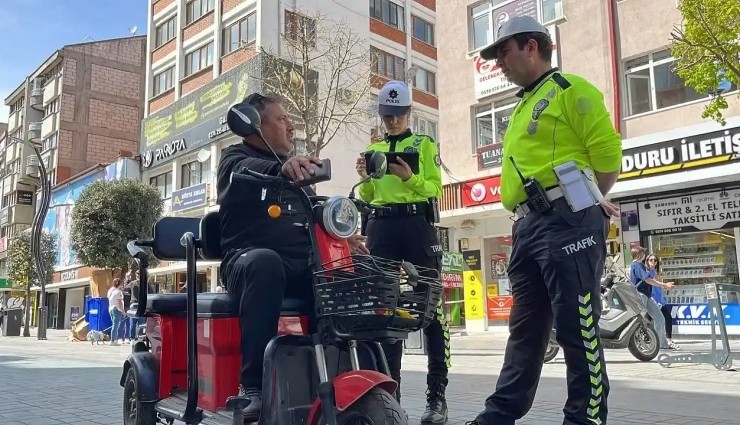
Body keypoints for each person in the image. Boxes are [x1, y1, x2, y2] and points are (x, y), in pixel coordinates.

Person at [466, 16, 623, 425]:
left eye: (504, 50)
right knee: (525, 330)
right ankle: (498, 416)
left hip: (566, 220)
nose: (498, 61)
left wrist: (585, 203)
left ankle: (585, 418)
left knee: (577, 325)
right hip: (527, 226)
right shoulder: (521, 103)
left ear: (532, 46)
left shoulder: (570, 91)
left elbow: (607, 159)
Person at [217, 92, 367, 422]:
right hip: (246, 263)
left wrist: (344, 239)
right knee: (265, 262)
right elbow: (244, 170)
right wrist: (280, 168)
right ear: (254, 123)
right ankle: (252, 387)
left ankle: (340, 373)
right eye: (282, 118)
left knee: (343, 269)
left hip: (299, 264)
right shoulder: (234, 159)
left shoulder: (296, 172)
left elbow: (315, 214)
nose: (291, 126)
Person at [355, 80, 451, 424]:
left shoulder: (423, 144)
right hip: (381, 227)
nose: (392, 120)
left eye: (397, 114)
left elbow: (434, 187)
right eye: (386, 115)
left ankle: (436, 396)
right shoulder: (375, 147)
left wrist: (410, 178)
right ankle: (390, 395)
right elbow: (366, 195)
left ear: (408, 112)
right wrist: (365, 177)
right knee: (384, 311)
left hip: (416, 226)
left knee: (431, 309)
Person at [630, 248, 675, 350]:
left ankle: (660, 344)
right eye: (644, 253)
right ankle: (640, 344)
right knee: (639, 321)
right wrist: (664, 285)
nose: (645, 255)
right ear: (639, 254)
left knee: (660, 318)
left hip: (646, 295)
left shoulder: (638, 265)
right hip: (641, 295)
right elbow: (648, 280)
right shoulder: (637, 265)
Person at [645, 253, 680, 350]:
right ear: (647, 261)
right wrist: (665, 285)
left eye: (655, 260)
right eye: (651, 260)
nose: (653, 262)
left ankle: (665, 340)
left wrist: (664, 288)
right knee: (652, 320)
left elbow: (658, 288)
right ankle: (657, 340)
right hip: (652, 300)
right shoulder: (647, 273)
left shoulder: (657, 273)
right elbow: (652, 284)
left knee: (662, 318)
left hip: (660, 300)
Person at [107, 278, 125, 347]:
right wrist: (123, 311)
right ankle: (113, 340)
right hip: (116, 309)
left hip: (110, 309)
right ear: (120, 284)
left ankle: (114, 340)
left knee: (114, 325)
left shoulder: (110, 291)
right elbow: (120, 302)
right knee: (116, 325)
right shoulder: (118, 292)